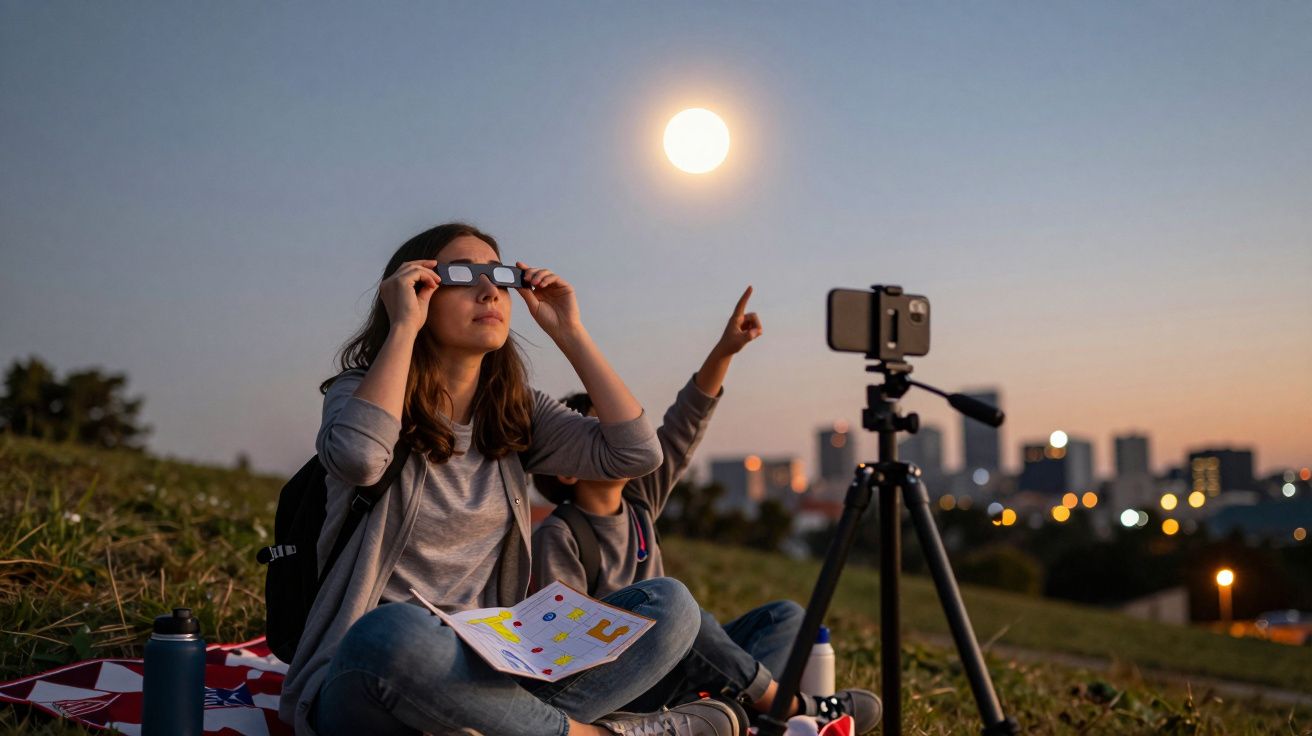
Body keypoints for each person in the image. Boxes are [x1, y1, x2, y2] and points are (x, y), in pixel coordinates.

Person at [279, 223, 745, 736]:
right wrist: (403, 330)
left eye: (499, 278)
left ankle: (520, 727)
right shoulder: (358, 394)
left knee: (671, 607)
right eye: (462, 276)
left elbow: (636, 453)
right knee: (394, 633)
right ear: (412, 290)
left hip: (493, 677)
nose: (489, 292)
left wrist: (569, 331)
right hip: (375, 676)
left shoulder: (516, 416)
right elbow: (360, 459)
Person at [531, 289, 879, 732]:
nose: (622, 442)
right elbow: (569, 641)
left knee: (784, 615)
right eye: (603, 434)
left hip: (680, 664)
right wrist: (653, 630)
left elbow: (685, 424)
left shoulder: (638, 502)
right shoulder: (559, 535)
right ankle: (787, 708)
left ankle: (747, 719)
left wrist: (725, 351)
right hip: (630, 680)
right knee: (685, 616)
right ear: (567, 468)